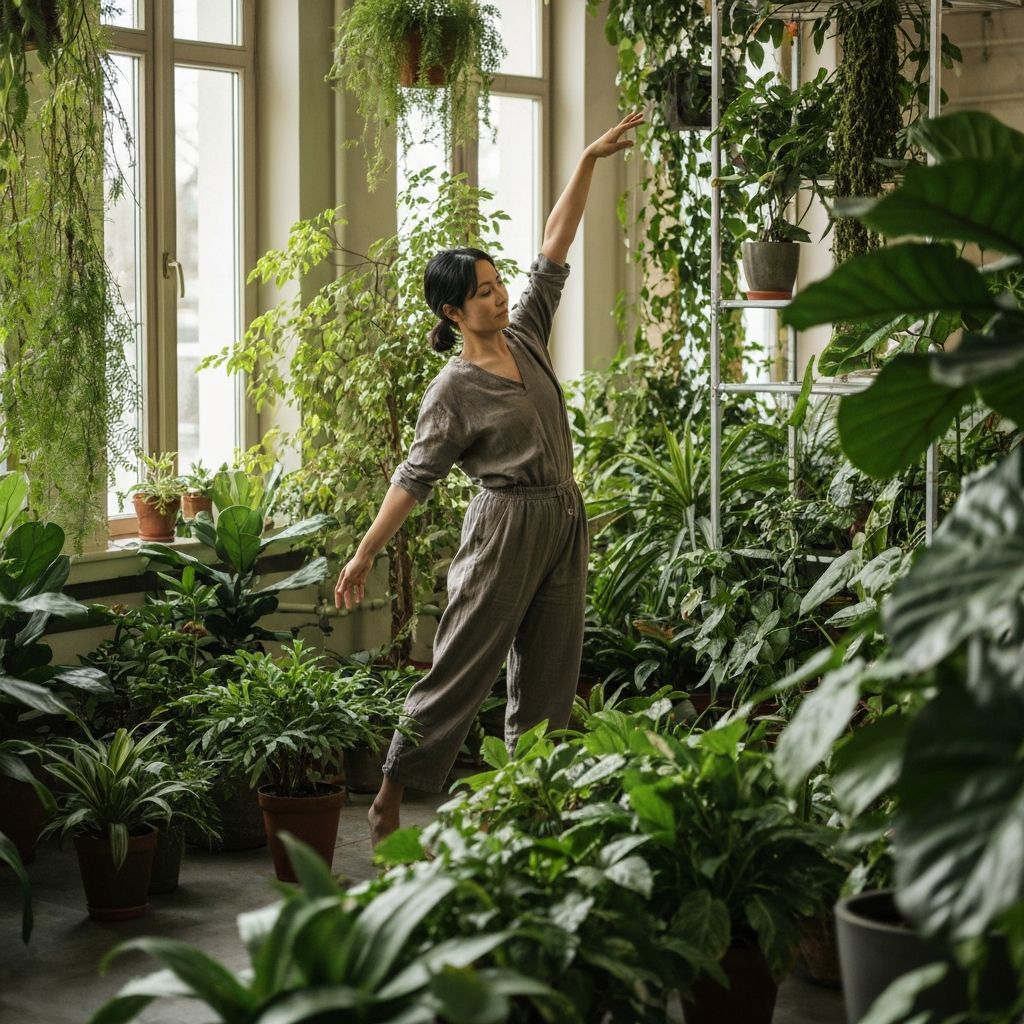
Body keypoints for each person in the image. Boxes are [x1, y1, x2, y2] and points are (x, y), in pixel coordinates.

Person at [335, 111, 645, 845]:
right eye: (483, 292)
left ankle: (529, 812)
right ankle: (387, 794)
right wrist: (367, 549)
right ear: (452, 310)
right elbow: (414, 477)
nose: (500, 296)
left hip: (563, 518)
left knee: (550, 678)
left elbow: (554, 244)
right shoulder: (452, 390)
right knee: (460, 670)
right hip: (504, 528)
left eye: (499, 284)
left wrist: (590, 158)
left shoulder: (527, 332)